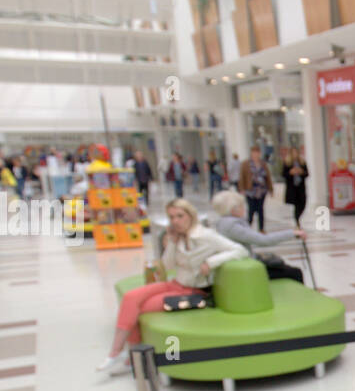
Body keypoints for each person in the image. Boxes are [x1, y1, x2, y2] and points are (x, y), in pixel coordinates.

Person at [97, 198, 246, 377]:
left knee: (139, 308)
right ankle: (117, 353)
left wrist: (211, 262)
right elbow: (167, 266)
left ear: (190, 216)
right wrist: (173, 243)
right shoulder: (179, 237)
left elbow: (240, 250)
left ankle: (129, 357)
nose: (176, 221)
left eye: (180, 216)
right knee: (130, 298)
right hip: (174, 284)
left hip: (193, 291)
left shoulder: (206, 236)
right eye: (172, 217)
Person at [210, 190, 306, 283]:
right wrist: (293, 233)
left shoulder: (222, 222)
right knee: (295, 272)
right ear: (233, 209)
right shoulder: (233, 226)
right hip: (246, 267)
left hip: (241, 264)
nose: (244, 208)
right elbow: (264, 240)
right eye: (241, 206)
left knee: (281, 265)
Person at [238, 145, 272, 231]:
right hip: (250, 190)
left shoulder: (263, 163)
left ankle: (261, 228)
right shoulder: (246, 164)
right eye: (254, 152)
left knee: (260, 209)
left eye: (257, 152)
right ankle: (247, 228)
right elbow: (242, 176)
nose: (256, 154)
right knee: (251, 209)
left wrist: (270, 189)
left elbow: (267, 177)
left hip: (261, 190)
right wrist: (241, 188)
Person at [282, 148, 309, 228]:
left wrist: (301, 172)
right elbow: (284, 174)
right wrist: (291, 172)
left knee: (303, 203)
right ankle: (297, 221)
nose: (295, 154)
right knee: (296, 205)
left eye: (296, 152)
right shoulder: (287, 163)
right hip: (292, 188)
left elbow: (307, 173)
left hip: (301, 187)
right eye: (293, 153)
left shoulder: (302, 162)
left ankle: (297, 219)